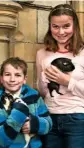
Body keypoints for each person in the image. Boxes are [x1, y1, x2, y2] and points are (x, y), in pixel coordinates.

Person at [36, 4, 84, 148]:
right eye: (55, 26)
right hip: (49, 117)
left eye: (66, 26)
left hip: (77, 118)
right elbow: (43, 92)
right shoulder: (42, 54)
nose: (61, 32)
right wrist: (45, 82)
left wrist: (67, 81)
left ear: (74, 26)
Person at [0, 57, 52, 148]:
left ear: (24, 79)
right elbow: (2, 139)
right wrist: (20, 112)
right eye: (7, 74)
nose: (12, 79)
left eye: (18, 75)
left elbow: (48, 124)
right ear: (1, 79)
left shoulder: (33, 96)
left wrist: (34, 124)